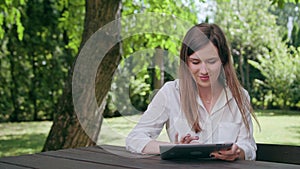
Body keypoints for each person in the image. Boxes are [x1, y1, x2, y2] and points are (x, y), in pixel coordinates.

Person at [125, 23, 259, 161]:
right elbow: (135, 139)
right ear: (186, 62)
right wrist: (174, 148)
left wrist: (237, 152)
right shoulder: (171, 93)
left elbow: (248, 146)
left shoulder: (239, 96)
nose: (204, 71)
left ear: (223, 60)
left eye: (211, 61)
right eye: (195, 62)